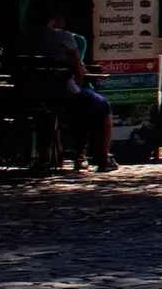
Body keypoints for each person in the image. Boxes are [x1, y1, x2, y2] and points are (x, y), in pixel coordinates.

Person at [36, 13, 116, 171]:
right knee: (101, 104)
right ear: (55, 18)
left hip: (34, 94)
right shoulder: (64, 36)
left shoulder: (27, 38)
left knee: (53, 109)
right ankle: (100, 157)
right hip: (63, 93)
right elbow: (79, 70)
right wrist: (78, 82)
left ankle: (42, 157)